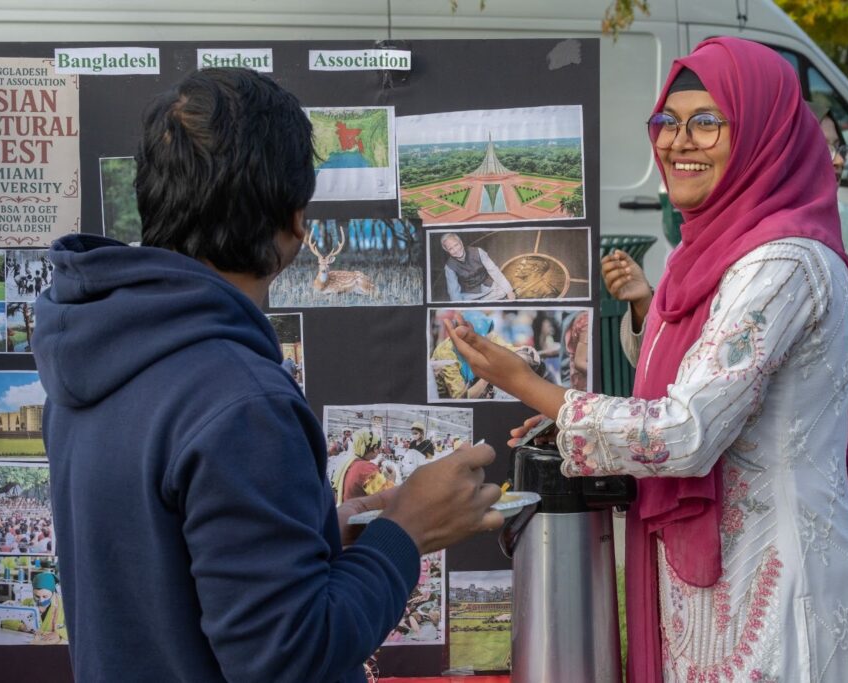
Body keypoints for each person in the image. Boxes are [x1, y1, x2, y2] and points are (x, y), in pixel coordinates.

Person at [32, 67, 503, 683]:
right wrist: (405, 532)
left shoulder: (92, 355)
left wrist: (313, 537)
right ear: (295, 219)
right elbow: (289, 655)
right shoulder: (239, 401)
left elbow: (164, 575)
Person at [446, 37, 848, 681]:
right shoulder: (699, 256)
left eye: (709, 122)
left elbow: (685, 430)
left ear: (765, 131)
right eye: (667, 122)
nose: (680, 142)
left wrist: (532, 387)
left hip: (782, 585)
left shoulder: (783, 261)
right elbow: (677, 395)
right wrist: (559, 423)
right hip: (701, 586)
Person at [440, 232, 516, 301]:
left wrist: (509, 291)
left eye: (456, 245)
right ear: (447, 251)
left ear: (461, 243)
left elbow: (494, 271)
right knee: (461, 301)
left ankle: (483, 302)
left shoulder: (478, 252)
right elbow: (453, 291)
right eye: (451, 249)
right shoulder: (449, 267)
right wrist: (459, 308)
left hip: (488, 287)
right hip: (470, 294)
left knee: (504, 290)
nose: (456, 250)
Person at [333, 428, 396, 504]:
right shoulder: (367, 469)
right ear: (375, 448)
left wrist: (377, 468)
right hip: (358, 513)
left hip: (347, 509)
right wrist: (392, 477)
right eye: (378, 448)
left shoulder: (351, 461)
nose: (379, 450)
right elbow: (387, 496)